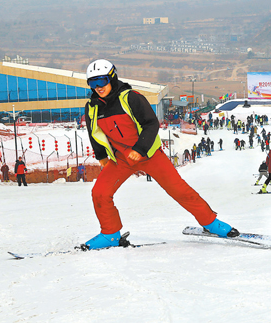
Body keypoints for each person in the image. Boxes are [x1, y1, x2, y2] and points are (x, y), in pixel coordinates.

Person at [82, 59, 238, 250]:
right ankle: (110, 234)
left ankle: (211, 223)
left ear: (112, 78)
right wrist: (102, 157)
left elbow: (151, 124)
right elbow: (93, 131)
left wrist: (140, 150)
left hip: (149, 155)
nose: (98, 87)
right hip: (121, 159)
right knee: (100, 192)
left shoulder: (131, 98)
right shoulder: (93, 107)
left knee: (179, 190)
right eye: (92, 83)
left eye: (102, 81)